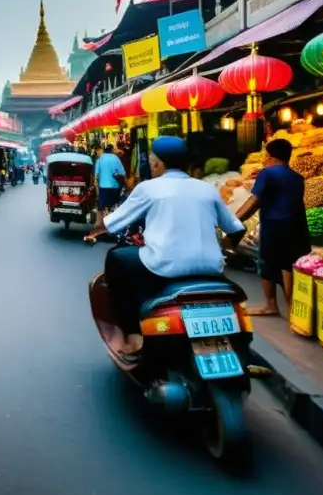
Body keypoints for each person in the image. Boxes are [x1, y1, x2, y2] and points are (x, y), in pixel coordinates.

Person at [85, 137, 246, 361]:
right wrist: (224, 248)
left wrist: (98, 230)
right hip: (212, 268)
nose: (151, 165)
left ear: (158, 164)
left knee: (117, 259)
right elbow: (236, 229)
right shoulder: (206, 189)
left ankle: (132, 334)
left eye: (152, 161)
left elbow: (112, 224)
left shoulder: (149, 189)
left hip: (164, 266)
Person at [235, 138, 310, 317]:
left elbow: (255, 200)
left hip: (275, 226)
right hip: (298, 226)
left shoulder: (267, 173)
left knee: (267, 263)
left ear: (269, 156)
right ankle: (294, 309)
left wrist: (234, 219)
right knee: (290, 265)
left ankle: (271, 305)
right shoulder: (297, 177)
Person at [94, 142, 126, 226]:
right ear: (112, 150)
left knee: (101, 207)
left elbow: (96, 175)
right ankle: (113, 223)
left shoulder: (99, 159)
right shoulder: (116, 158)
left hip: (103, 187)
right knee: (114, 205)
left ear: (104, 150)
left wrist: (97, 188)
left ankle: (99, 224)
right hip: (115, 187)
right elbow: (123, 173)